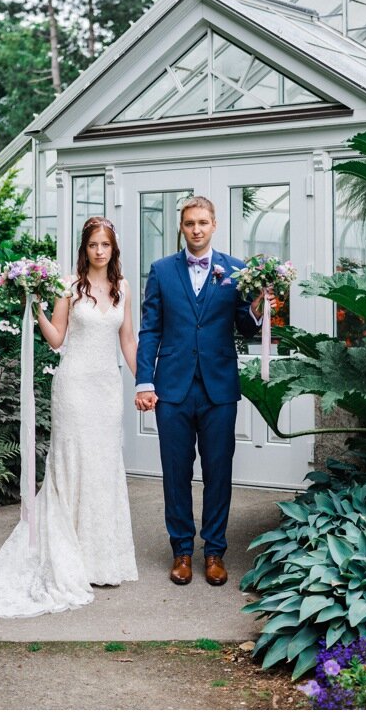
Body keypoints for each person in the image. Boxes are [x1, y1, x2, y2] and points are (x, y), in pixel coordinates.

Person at [0, 216, 139, 618]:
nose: (99, 251)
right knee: (71, 464)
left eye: (105, 245)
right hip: (73, 386)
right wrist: (34, 307)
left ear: (114, 249)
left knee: (103, 465)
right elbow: (57, 340)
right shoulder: (69, 288)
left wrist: (145, 381)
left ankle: (100, 559)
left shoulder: (123, 288)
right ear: (84, 248)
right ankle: (66, 556)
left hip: (107, 389)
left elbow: (128, 339)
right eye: (93, 244)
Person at [134, 196, 266, 587]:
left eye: (203, 223)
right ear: (181, 226)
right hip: (172, 389)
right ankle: (181, 552)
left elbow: (246, 326)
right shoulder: (161, 271)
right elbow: (150, 330)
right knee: (176, 473)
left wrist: (259, 306)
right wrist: (145, 380)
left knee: (218, 472)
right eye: (189, 223)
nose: (196, 229)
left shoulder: (237, 270)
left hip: (219, 388)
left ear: (214, 224)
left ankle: (214, 553)